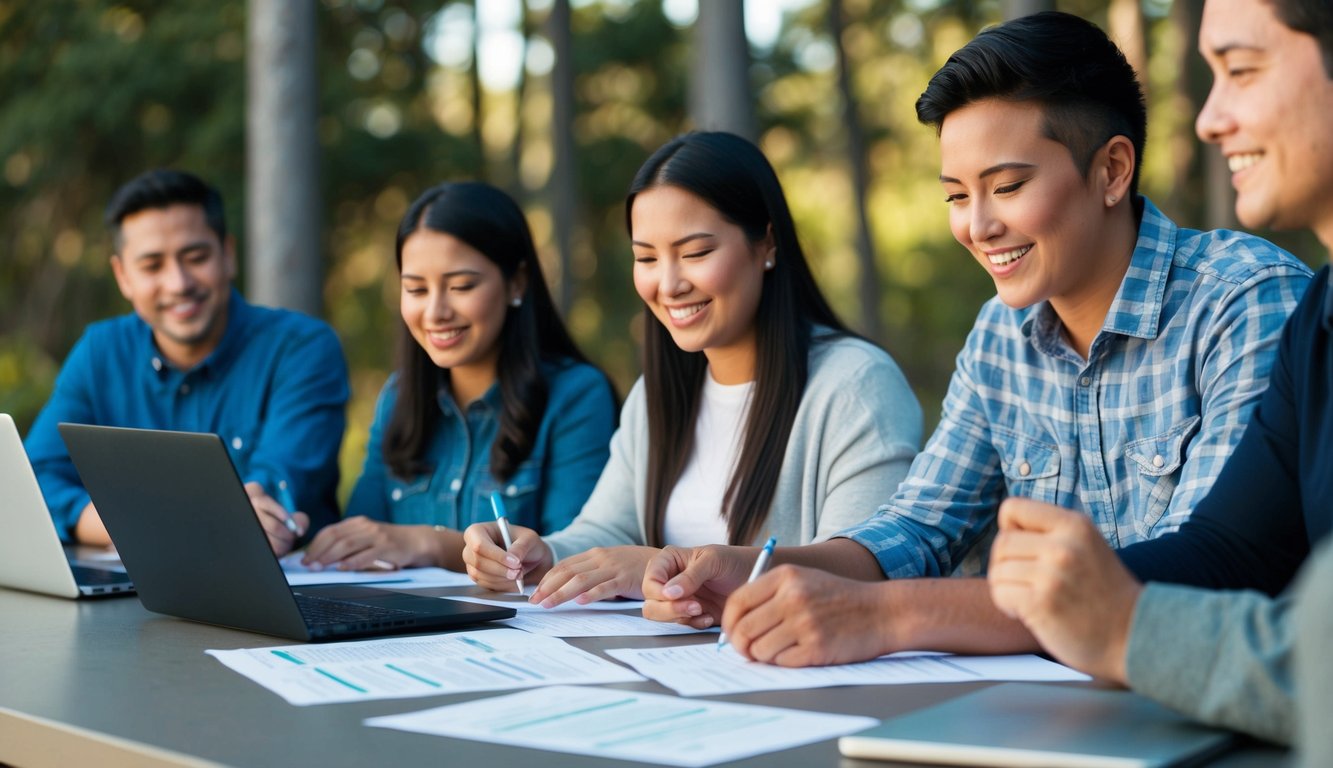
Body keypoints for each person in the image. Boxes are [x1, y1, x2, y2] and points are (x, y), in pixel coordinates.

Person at [639, 12, 1313, 666]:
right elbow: (917, 530)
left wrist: (890, 616)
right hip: (1042, 711)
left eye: (1008, 186)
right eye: (956, 196)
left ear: (1111, 171)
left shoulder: (1242, 301)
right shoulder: (1001, 333)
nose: (977, 226)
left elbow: (1207, 565)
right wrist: (754, 566)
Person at [987, 0, 1333, 754]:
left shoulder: (1255, 295)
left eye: (1241, 70)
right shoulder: (1321, 317)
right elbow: (1226, 551)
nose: (1209, 120)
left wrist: (1123, 627)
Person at [461, 131, 922, 609]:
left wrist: (667, 566)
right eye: (646, 258)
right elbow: (608, 529)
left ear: (766, 242)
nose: (670, 283)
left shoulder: (856, 384)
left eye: (697, 253)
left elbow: (869, 565)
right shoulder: (657, 393)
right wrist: (543, 558)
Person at [25, 169, 349, 556]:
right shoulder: (100, 351)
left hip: (285, 596)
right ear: (123, 276)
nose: (178, 283)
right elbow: (33, 480)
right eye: (152, 266)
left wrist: (147, 523)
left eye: (195, 258)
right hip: (128, 595)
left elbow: (277, 490)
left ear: (227, 255)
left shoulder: (302, 349)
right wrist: (136, 526)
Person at [299, 182, 616, 572]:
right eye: (416, 289)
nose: (435, 312)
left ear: (516, 282)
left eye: (461, 286)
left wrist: (430, 544)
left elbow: (576, 556)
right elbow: (367, 535)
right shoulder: (398, 397)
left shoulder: (577, 396)